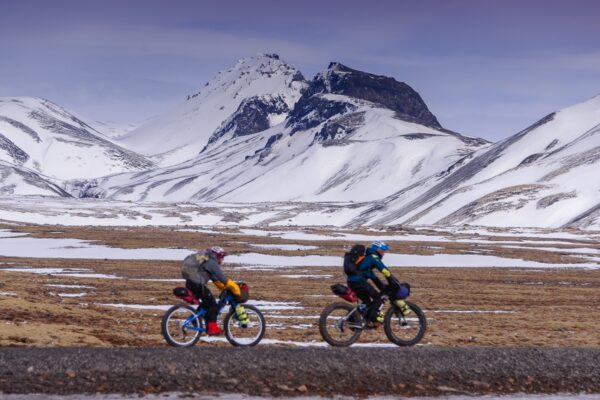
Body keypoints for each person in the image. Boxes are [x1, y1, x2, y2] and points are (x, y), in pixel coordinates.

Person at [183, 246, 248, 336]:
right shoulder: (212, 262)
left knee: (206, 303)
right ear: (217, 256)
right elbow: (222, 278)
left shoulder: (206, 261)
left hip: (191, 283)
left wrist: (226, 287)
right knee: (212, 303)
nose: (222, 260)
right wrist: (236, 289)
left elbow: (216, 280)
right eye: (222, 257)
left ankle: (195, 319)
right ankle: (212, 328)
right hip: (197, 284)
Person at [347, 241, 410, 325]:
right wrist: (392, 280)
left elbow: (373, 277)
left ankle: (356, 321)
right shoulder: (373, 257)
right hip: (359, 282)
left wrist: (382, 286)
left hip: (351, 282)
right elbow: (383, 269)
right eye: (382, 251)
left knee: (367, 303)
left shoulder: (367, 259)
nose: (383, 254)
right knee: (378, 298)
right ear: (377, 250)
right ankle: (374, 317)